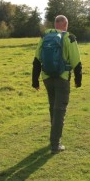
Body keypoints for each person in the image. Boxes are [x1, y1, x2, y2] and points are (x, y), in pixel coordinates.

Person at [32, 15, 82, 153]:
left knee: (53, 106)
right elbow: (76, 62)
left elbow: (36, 60)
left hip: (47, 77)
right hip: (62, 78)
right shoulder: (69, 37)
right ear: (66, 24)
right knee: (60, 109)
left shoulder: (44, 37)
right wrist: (78, 80)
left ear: (55, 24)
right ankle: (55, 144)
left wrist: (34, 81)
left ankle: (54, 139)